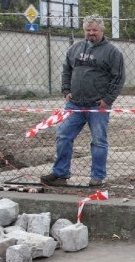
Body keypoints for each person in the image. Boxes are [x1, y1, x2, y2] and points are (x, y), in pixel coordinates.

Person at [41, 15, 125, 187]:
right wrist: (66, 91)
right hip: (75, 105)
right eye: (88, 30)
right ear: (84, 31)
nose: (91, 33)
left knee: (98, 141)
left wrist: (107, 100)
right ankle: (60, 173)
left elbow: (118, 78)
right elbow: (66, 71)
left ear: (102, 30)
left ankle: (97, 177)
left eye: (94, 30)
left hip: (98, 106)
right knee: (63, 135)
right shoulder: (74, 49)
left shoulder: (112, 53)